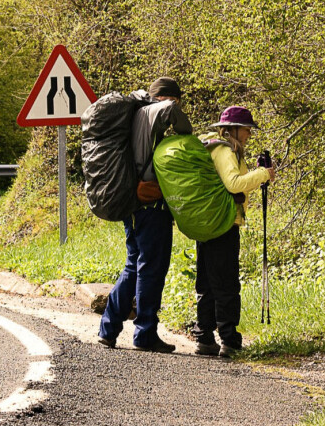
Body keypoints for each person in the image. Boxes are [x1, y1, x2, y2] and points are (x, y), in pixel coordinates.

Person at [97, 77, 193, 353]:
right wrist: (187, 136)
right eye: (176, 100)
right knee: (151, 267)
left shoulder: (135, 114)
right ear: (169, 97)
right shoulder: (156, 110)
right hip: (151, 205)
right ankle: (145, 332)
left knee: (134, 265)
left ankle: (109, 328)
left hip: (132, 202)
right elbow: (173, 113)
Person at [193, 106, 274, 357]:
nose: (249, 134)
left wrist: (256, 173)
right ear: (234, 130)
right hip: (224, 224)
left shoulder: (214, 148)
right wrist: (262, 174)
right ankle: (229, 340)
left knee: (207, 281)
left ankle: (204, 336)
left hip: (208, 221)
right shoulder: (225, 151)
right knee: (226, 282)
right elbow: (234, 184)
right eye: (247, 129)